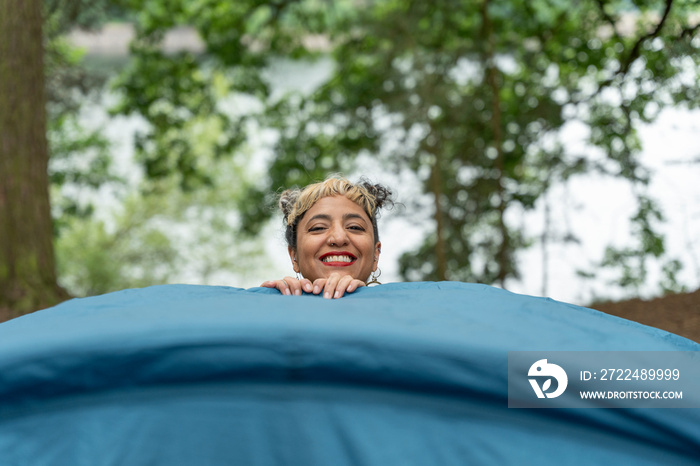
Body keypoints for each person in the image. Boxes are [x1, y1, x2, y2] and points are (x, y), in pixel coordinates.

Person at [261, 176, 394, 299]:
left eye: (354, 227)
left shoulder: (400, 312)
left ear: (375, 253)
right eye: (318, 228)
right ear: (294, 256)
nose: (339, 238)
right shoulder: (273, 306)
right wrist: (267, 303)